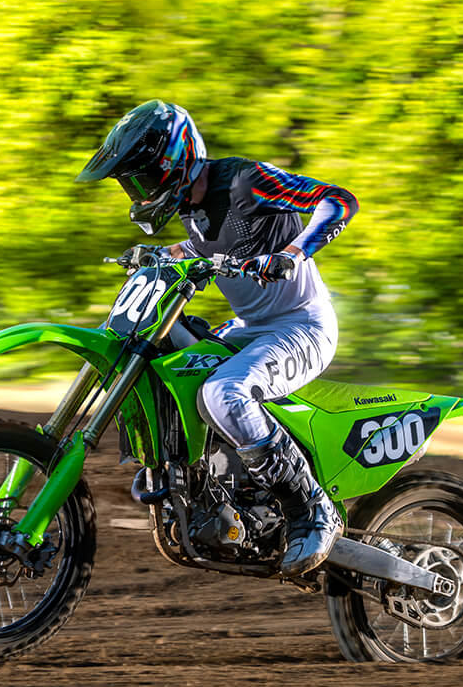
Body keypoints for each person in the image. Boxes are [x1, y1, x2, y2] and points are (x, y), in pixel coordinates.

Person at [76, 100, 358, 577]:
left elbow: (338, 200)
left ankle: (311, 509)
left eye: (141, 179)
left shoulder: (249, 181)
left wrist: (291, 252)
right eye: (131, 185)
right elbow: (210, 247)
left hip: (303, 326)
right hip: (250, 330)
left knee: (223, 392)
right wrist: (157, 254)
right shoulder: (193, 205)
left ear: (174, 161)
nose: (137, 193)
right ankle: (212, 487)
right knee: (172, 361)